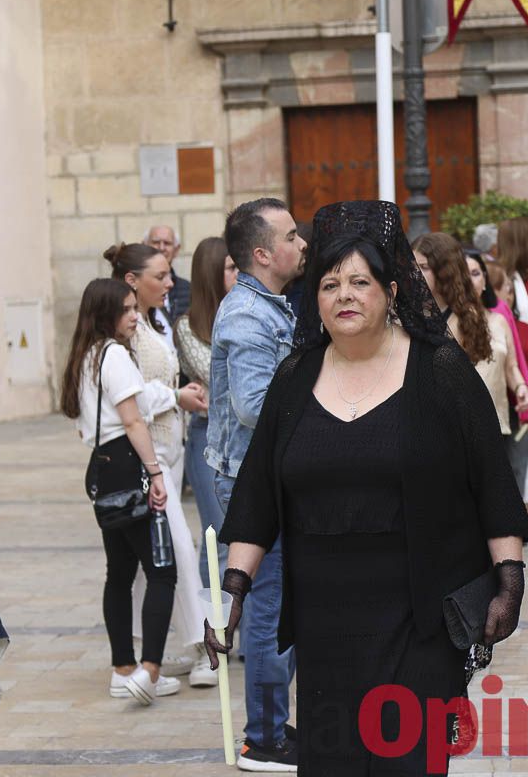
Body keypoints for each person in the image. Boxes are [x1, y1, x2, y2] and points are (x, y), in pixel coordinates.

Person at [205, 199, 528, 775]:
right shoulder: (294, 379)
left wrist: (509, 577)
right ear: (316, 300)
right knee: (334, 763)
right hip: (326, 624)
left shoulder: (440, 372)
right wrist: (233, 593)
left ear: (391, 290)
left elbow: (491, 480)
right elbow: (257, 495)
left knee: (408, 764)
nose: (344, 295)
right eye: (329, 284)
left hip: (420, 615)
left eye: (360, 281)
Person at [205, 197, 306, 771]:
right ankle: (262, 740)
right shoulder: (247, 314)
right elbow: (252, 406)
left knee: (275, 607)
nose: (302, 245)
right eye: (292, 236)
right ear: (263, 254)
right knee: (266, 613)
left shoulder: (269, 303)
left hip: (264, 480)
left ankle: (271, 725)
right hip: (250, 485)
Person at [60, 278, 177, 704]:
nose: (133, 316)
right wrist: (155, 471)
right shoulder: (114, 356)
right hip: (129, 465)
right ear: (106, 315)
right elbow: (132, 421)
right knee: (162, 570)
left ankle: (122, 667)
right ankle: (150, 670)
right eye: (126, 310)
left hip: (103, 469)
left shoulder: (85, 357)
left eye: (134, 308)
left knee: (121, 571)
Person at [105, 243, 214, 687]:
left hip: (169, 450)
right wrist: (175, 396)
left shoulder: (155, 321)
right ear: (132, 280)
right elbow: (127, 397)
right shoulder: (127, 331)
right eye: (161, 276)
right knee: (179, 553)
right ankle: (202, 648)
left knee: (136, 566)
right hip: (148, 458)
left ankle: (128, 662)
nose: (171, 284)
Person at [413, 234, 528, 441]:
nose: (415, 274)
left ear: (444, 271)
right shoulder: (408, 316)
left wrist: (521, 387)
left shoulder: (471, 320)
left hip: (472, 426)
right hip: (426, 428)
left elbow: (510, 366)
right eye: (413, 266)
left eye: (423, 267)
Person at [174, 237, 237, 591]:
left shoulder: (242, 312)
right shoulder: (188, 325)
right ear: (212, 273)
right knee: (216, 535)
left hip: (240, 436)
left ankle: (240, 623)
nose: (238, 272)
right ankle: (215, 624)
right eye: (230, 267)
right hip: (206, 435)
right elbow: (215, 376)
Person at [480, 259, 528, 503]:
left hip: (501, 412)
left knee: (506, 481)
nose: (511, 294)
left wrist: (522, 387)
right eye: (507, 287)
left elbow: (513, 364)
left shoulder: (500, 318)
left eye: (477, 273)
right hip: (465, 419)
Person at [144, 224, 192, 320]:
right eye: (156, 242)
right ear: (144, 246)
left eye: (167, 243)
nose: (161, 248)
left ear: (176, 249)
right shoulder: (139, 288)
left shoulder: (189, 289)